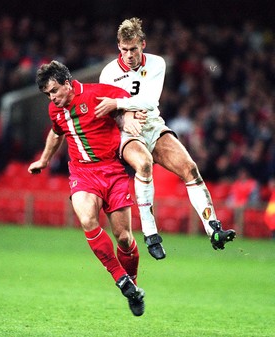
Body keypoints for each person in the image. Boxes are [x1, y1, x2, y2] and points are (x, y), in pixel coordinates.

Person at [95, 17, 236, 259]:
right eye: (124, 49)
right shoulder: (108, 73)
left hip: (153, 125)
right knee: (144, 165)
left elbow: (150, 101)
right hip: (127, 131)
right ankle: (150, 234)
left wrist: (119, 103)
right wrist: (124, 116)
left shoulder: (157, 64)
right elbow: (106, 111)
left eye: (134, 49)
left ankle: (213, 229)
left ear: (143, 45)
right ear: (119, 46)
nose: (129, 55)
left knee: (190, 168)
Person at [28, 60, 145, 316]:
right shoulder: (55, 110)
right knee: (87, 219)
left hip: (113, 170)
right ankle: (120, 278)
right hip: (83, 173)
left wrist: (127, 115)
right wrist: (45, 160)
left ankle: (132, 284)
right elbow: (56, 132)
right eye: (48, 94)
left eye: (55, 91)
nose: (52, 98)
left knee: (124, 238)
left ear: (67, 84)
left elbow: (132, 101)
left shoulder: (97, 92)